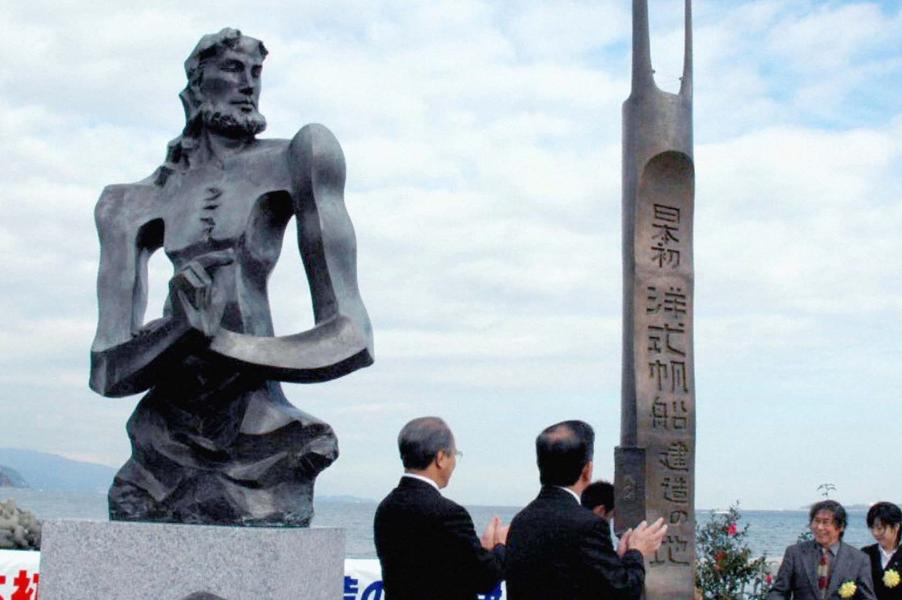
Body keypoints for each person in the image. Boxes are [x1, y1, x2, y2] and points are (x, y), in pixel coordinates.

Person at [89, 28, 373, 525]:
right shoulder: (128, 203)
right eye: (232, 69)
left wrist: (216, 340)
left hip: (259, 424)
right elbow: (107, 370)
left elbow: (350, 337)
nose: (249, 84)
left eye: (256, 73)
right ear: (197, 87)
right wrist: (178, 333)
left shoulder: (300, 156)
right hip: (163, 433)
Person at [505, 420, 668, 600]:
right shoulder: (588, 526)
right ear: (587, 470)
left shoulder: (520, 522)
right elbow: (623, 591)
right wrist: (636, 551)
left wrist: (615, 560)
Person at [374, 417, 507, 599]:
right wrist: (501, 546)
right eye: (454, 455)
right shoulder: (449, 514)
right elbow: (484, 578)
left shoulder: (386, 507)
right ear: (441, 457)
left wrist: (481, 552)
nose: (454, 463)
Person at [767, 500, 877, 600]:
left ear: (841, 526)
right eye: (816, 521)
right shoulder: (795, 553)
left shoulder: (859, 559)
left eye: (825, 522)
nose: (819, 527)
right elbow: (779, 592)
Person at [861, 502, 902, 600]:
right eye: (872, 528)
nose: (875, 533)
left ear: (896, 527)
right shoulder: (866, 554)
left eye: (880, 528)